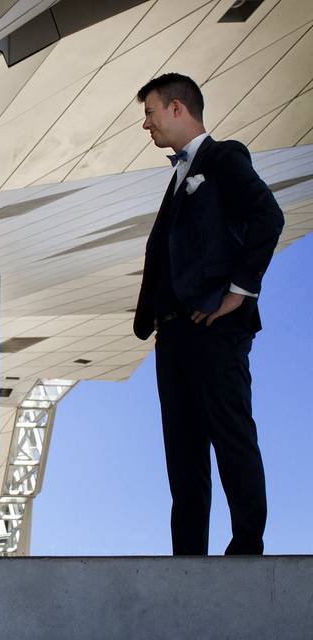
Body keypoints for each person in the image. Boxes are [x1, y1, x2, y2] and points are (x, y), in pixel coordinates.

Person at [133, 73, 284, 555]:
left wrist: (239, 291)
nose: (146, 124)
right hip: (172, 336)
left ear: (178, 109)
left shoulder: (224, 158)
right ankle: (188, 558)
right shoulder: (176, 177)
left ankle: (246, 547)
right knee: (183, 455)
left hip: (215, 328)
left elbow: (268, 216)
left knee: (231, 436)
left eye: (151, 113)